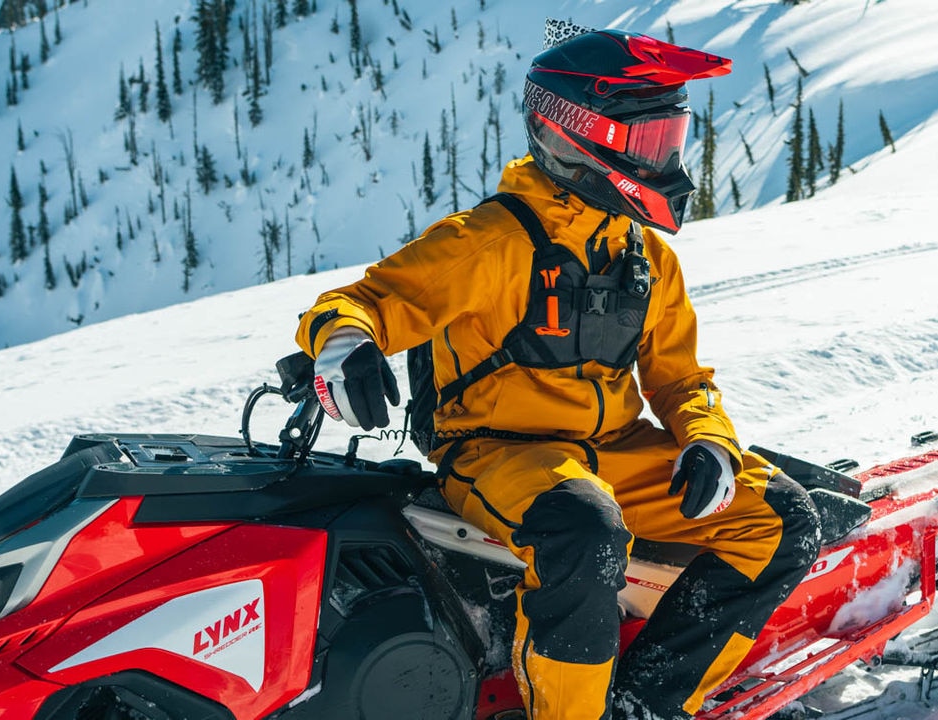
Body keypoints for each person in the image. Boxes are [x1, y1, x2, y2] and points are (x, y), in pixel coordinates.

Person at [295, 20, 822, 720]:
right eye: (646, 142)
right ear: (578, 135)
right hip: (498, 453)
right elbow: (359, 305)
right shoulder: (492, 241)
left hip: (609, 453)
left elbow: (681, 380)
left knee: (784, 519)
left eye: (670, 138)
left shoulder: (646, 259)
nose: (664, 157)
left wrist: (708, 441)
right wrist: (345, 345)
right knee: (584, 529)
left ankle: (644, 702)